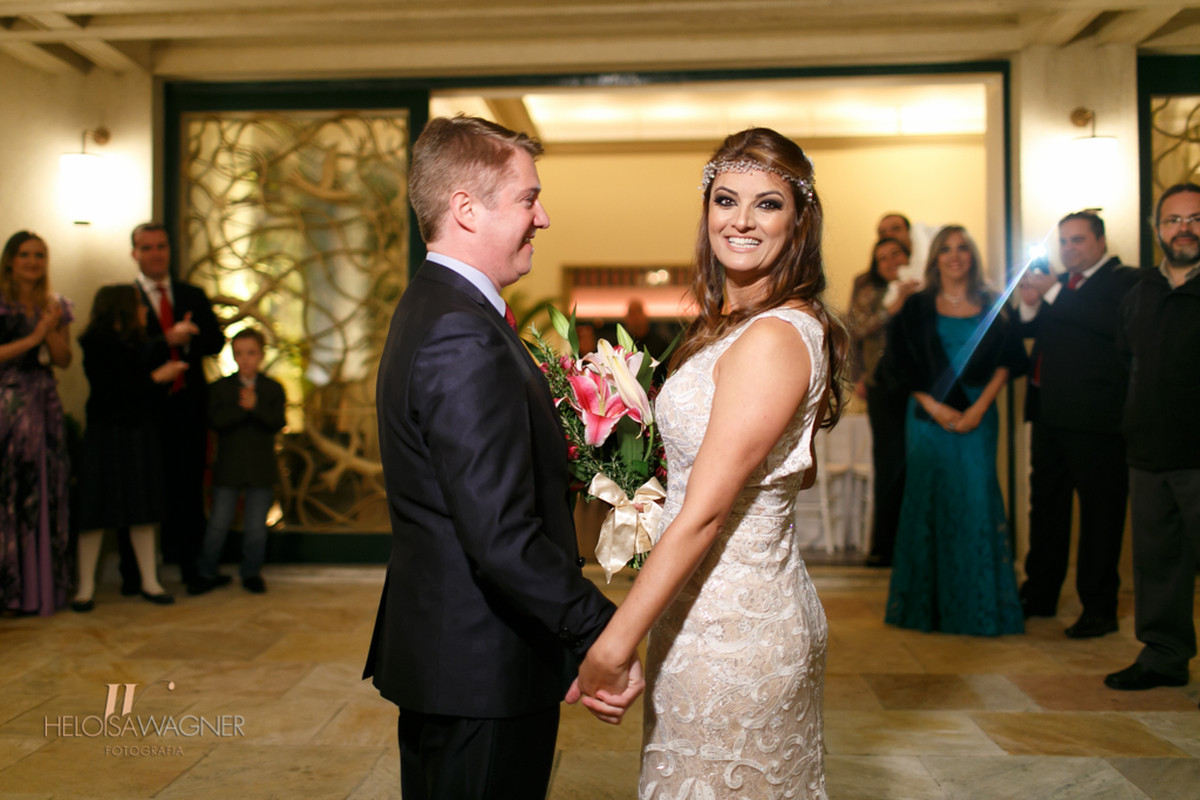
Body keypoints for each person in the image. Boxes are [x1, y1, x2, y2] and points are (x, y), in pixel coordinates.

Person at [362, 115, 641, 800]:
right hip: (479, 669)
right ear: (465, 208)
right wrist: (601, 632)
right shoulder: (462, 331)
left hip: (457, 654)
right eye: (527, 198)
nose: (542, 218)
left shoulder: (435, 306)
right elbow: (500, 534)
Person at [574, 128, 849, 799]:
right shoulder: (728, 327)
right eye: (726, 199)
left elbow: (706, 513)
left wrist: (614, 641)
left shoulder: (776, 337)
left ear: (800, 220)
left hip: (738, 630)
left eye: (768, 204)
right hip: (697, 608)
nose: (742, 220)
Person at [878, 225, 1027, 636]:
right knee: (929, 503)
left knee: (976, 502)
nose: (955, 255)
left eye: (963, 248)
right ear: (935, 258)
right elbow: (899, 366)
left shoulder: (993, 303)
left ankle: (978, 610)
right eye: (946, 249)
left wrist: (979, 408)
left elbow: (1007, 361)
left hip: (979, 416)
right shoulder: (916, 307)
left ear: (973, 256)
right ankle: (925, 611)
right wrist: (935, 407)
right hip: (927, 417)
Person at [1016, 211, 1137, 637]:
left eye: (1078, 240)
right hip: (1049, 414)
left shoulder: (1124, 281)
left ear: (1101, 241)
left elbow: (1110, 324)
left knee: (1099, 517)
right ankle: (1040, 592)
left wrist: (1051, 296)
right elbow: (1032, 334)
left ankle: (1099, 608)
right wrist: (1031, 303)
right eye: (1063, 242)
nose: (1068, 249)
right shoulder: (1062, 286)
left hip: (1096, 421)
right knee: (1046, 509)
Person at [1105, 183, 1200, 692]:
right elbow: (1128, 361)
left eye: (1194, 218)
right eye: (1173, 220)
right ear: (1157, 229)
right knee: (1159, 563)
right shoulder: (1140, 291)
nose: (1183, 228)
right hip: (1148, 453)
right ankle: (1164, 655)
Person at [72, 285, 187, 611]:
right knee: (94, 510)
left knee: (142, 507)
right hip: (106, 433)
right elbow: (111, 390)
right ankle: (85, 587)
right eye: (137, 304)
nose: (144, 310)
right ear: (121, 308)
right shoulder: (95, 344)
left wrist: (165, 358)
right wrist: (155, 378)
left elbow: (147, 351)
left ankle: (150, 581)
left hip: (137, 432)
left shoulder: (138, 343)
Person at [127, 222, 224, 592]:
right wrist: (164, 339)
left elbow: (216, 342)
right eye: (147, 247)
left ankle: (191, 570)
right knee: (142, 491)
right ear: (135, 253)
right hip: (145, 413)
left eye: (161, 246)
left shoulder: (191, 295)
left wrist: (188, 340)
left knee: (188, 491)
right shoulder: (124, 298)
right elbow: (124, 354)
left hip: (188, 410)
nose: (156, 254)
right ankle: (136, 575)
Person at [0, 231, 73, 616]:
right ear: (11, 259)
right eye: (25, 254)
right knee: (11, 492)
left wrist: (51, 331)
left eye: (40, 255)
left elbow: (64, 360)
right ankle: (10, 591)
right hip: (6, 409)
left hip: (44, 407)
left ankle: (41, 591)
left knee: (46, 490)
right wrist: (34, 338)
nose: (33, 261)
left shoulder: (55, 304)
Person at [191, 328, 286, 596]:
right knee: (219, 523)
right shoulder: (221, 389)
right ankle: (206, 571)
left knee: (256, 527)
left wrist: (256, 405)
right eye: (239, 354)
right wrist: (242, 407)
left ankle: (252, 572)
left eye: (251, 353)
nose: (245, 360)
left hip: (260, 469)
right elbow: (216, 421)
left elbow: (277, 422)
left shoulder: (272, 388)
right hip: (229, 468)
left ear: (262, 355)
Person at [847, 237, 919, 567]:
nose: (890, 262)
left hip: (919, 388)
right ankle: (885, 546)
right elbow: (855, 330)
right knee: (889, 464)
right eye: (882, 259)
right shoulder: (870, 293)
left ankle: (917, 544)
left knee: (918, 465)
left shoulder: (922, 288)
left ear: (907, 257)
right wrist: (892, 308)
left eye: (895, 255)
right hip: (882, 387)